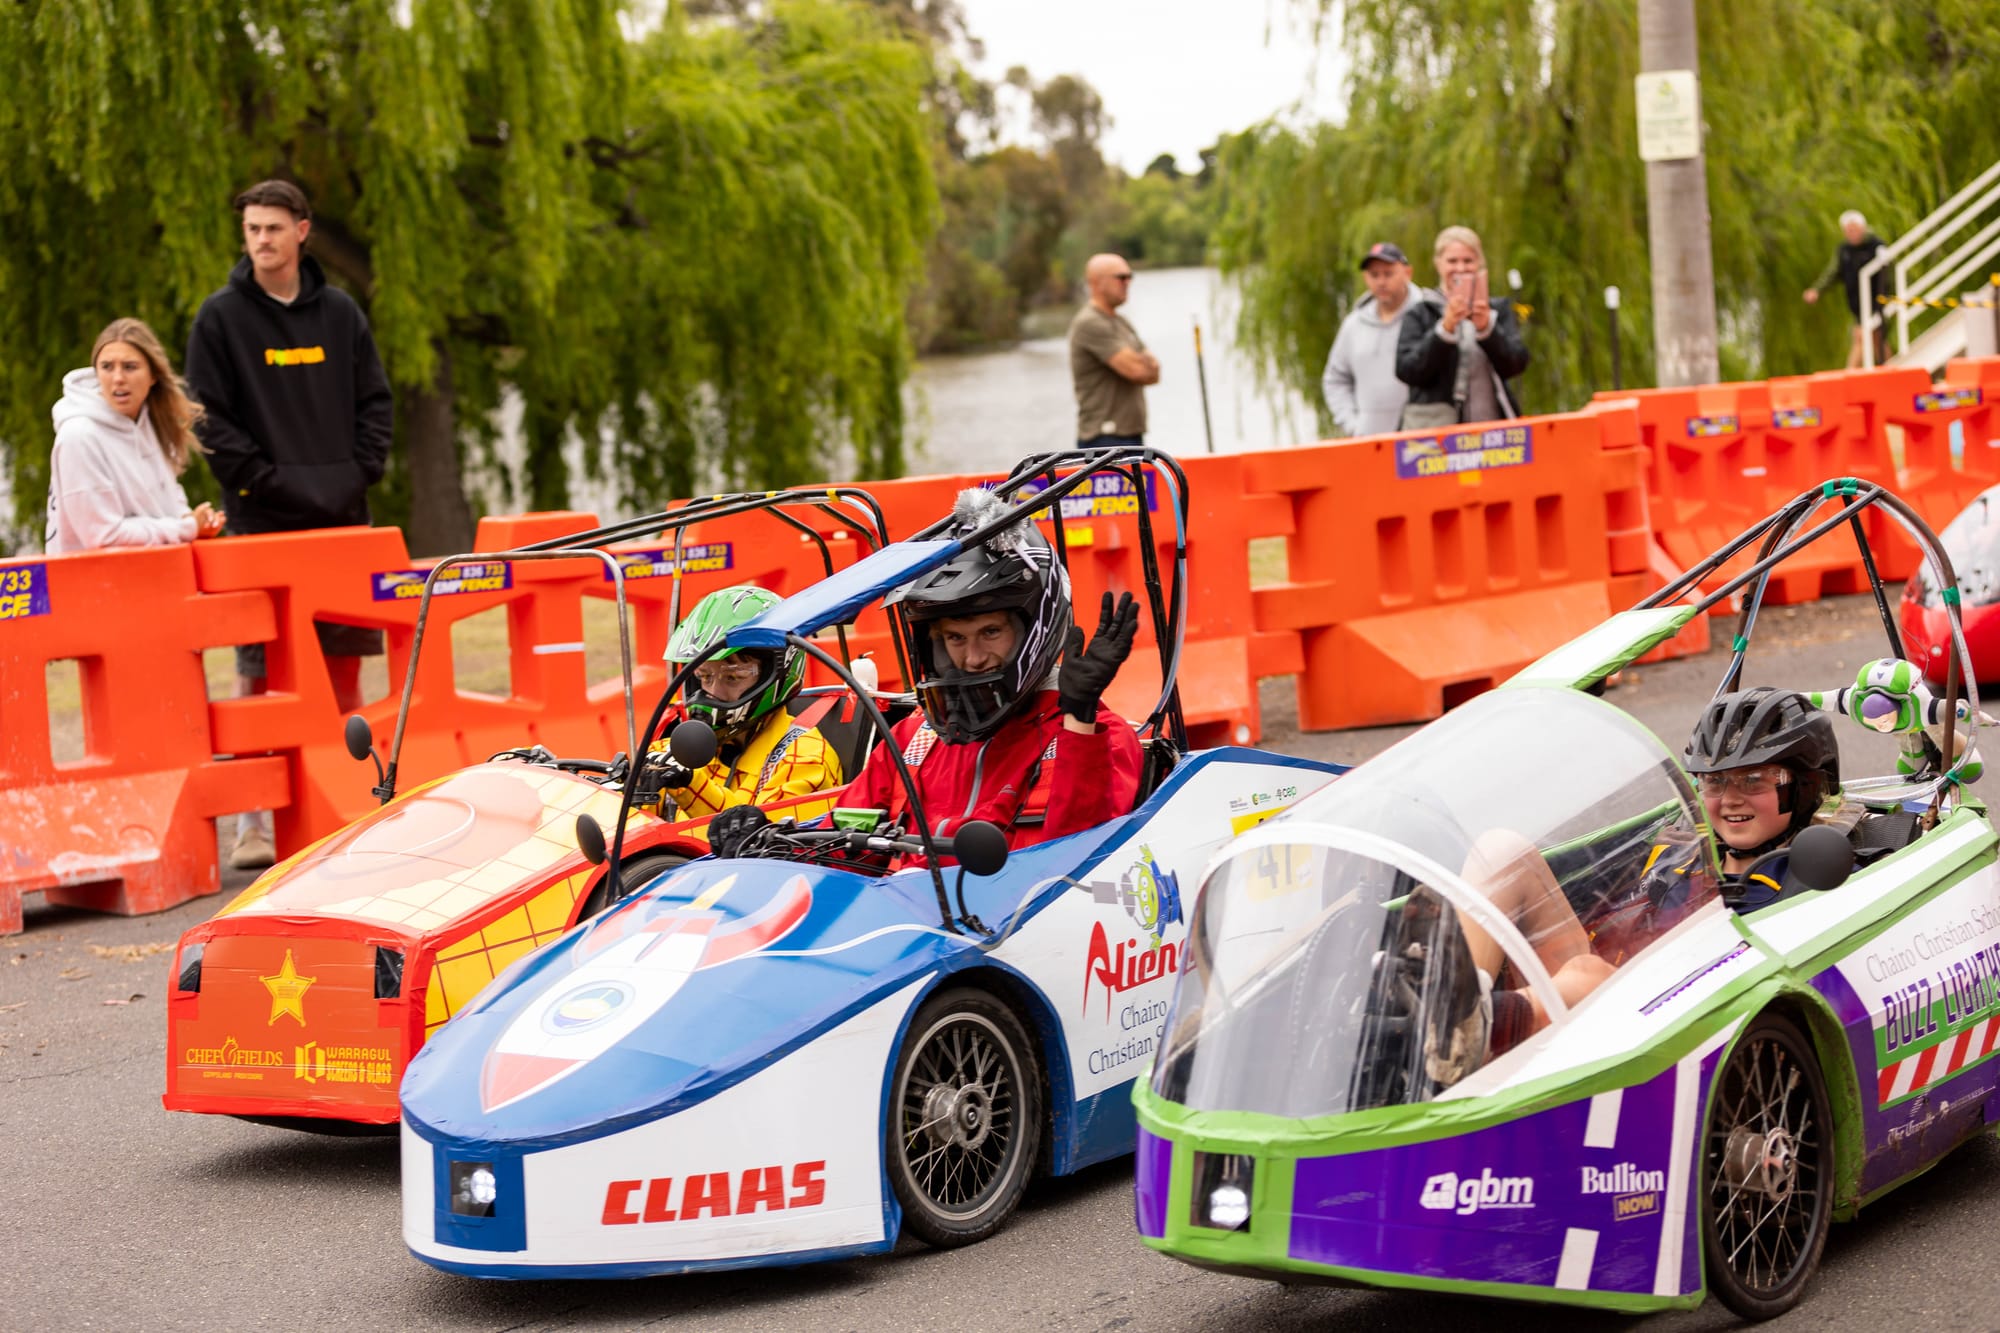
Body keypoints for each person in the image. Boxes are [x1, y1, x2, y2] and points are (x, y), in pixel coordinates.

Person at [706, 488, 1145, 862]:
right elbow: (844, 838)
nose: (972, 658)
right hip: (902, 932)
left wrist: (1079, 720)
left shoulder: (1095, 737)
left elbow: (1072, 861)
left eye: (990, 632)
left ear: (1034, 628)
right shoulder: (915, 736)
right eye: (954, 638)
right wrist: (768, 840)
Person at [185, 178, 394, 869]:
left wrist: (356, 473)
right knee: (261, 680)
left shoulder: (340, 314)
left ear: (303, 230)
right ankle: (257, 825)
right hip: (262, 529)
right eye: (253, 230)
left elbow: (376, 403)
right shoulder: (220, 320)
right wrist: (271, 485)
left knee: (342, 676)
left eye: (275, 228)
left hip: (341, 525)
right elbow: (209, 422)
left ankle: (347, 807)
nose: (263, 241)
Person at [654, 585, 843, 821]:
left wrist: (690, 786)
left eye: (732, 677)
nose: (713, 692)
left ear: (776, 674)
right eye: (704, 676)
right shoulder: (683, 747)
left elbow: (756, 843)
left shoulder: (805, 759)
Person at [45, 318, 227, 554]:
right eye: (107, 367)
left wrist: (194, 520)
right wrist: (186, 527)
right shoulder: (78, 436)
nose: (118, 378)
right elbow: (103, 536)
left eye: (130, 367)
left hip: (153, 577)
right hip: (91, 585)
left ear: (153, 376)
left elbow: (168, 505)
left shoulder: (151, 422)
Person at [1395, 226, 1530, 429]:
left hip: (1495, 434)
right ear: (1438, 263)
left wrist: (1487, 329)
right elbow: (1408, 370)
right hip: (1437, 438)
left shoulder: (1498, 310)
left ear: (1479, 263)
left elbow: (1516, 363)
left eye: (1468, 261)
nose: (1460, 268)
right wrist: (1444, 330)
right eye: (1452, 261)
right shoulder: (1421, 312)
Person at [1321, 242, 1436, 436]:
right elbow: (1335, 379)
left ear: (1407, 273)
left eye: (1388, 273)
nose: (1381, 282)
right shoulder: (1353, 324)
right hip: (1370, 442)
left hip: (1422, 442)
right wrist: (1352, 424)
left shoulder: (1428, 314)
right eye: (1374, 275)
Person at [1068, 253, 1158, 447]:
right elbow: (1138, 371)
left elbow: (1154, 373)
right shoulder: (1090, 322)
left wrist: (1143, 364)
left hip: (1131, 434)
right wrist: (1142, 362)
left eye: (1130, 277)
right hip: (1103, 438)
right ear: (1097, 283)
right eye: (1121, 277)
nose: (1127, 283)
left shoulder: (1121, 322)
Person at [1804, 210, 1888, 370]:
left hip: (1877, 299)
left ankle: (1849, 374)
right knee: (1875, 339)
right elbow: (1832, 273)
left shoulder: (1876, 246)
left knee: (1862, 337)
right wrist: (1817, 290)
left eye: (1854, 229)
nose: (1852, 233)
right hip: (1857, 303)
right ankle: (1891, 368)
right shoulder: (1844, 251)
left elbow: (1888, 271)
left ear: (1863, 228)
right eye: (1848, 231)